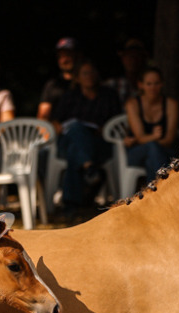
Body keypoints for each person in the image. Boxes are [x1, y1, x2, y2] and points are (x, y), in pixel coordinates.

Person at [50, 60, 120, 215]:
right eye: (85, 73)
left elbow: (117, 122)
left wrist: (103, 129)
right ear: (77, 78)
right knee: (75, 128)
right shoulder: (69, 97)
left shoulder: (108, 95)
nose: (90, 76)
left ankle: (71, 204)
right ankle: (89, 168)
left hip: (99, 143)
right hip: (68, 141)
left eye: (92, 72)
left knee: (74, 151)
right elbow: (55, 120)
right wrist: (59, 127)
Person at [122, 66, 179, 182]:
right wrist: (153, 137)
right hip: (137, 153)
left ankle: (153, 191)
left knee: (153, 154)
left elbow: (169, 140)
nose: (153, 88)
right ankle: (161, 188)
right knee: (152, 148)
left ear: (162, 84)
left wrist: (141, 140)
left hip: (164, 150)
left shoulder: (171, 104)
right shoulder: (133, 104)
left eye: (156, 83)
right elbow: (140, 137)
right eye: (149, 84)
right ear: (140, 85)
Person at [37, 37, 77, 121]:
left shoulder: (89, 82)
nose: (64, 60)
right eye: (60, 56)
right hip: (58, 131)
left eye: (68, 55)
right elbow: (42, 116)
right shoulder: (52, 85)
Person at [105, 39, 148, 105]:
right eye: (129, 56)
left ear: (143, 60)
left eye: (136, 57)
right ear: (123, 59)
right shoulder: (113, 84)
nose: (133, 61)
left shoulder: (151, 85)